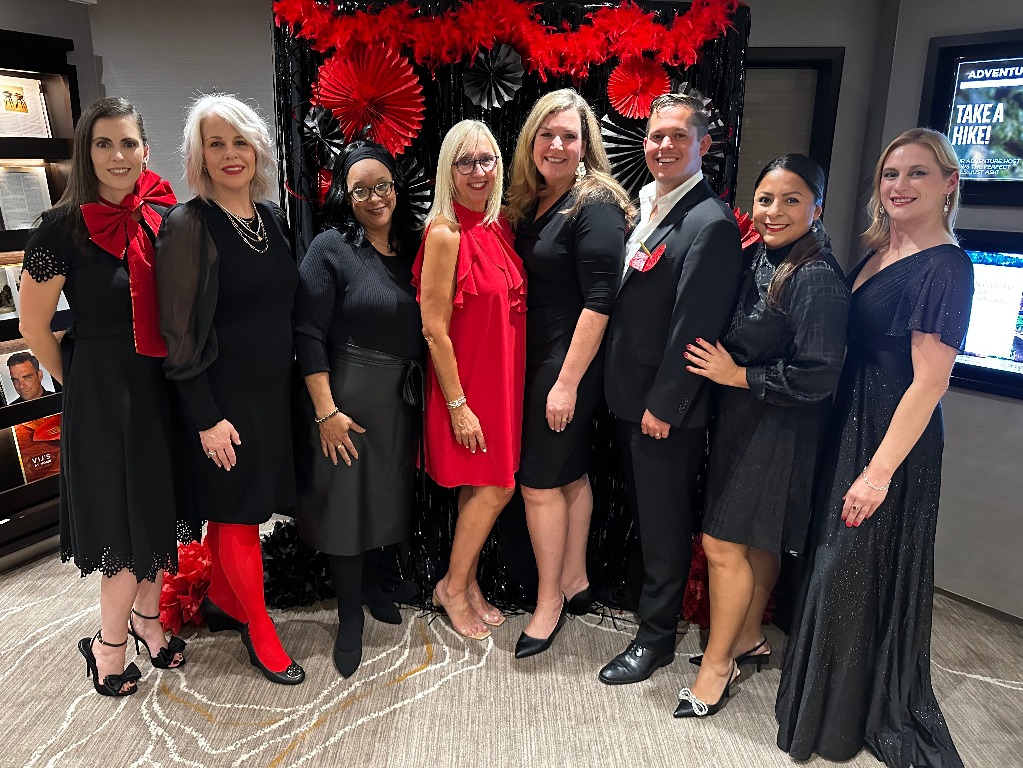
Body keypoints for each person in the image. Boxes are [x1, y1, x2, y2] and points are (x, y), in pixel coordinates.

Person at [776, 128, 973, 767]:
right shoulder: (878, 248)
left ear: (948, 184)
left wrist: (878, 473)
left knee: (850, 568)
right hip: (849, 420)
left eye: (917, 173)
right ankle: (826, 700)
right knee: (837, 565)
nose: (899, 185)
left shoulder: (947, 266)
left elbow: (931, 382)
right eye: (891, 174)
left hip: (890, 438)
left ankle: (837, 720)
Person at [18, 97, 189, 696]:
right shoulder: (58, 228)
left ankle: (147, 620)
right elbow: (33, 326)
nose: (118, 156)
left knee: (157, 512)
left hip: (159, 386)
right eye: (103, 143)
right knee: (121, 523)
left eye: (128, 143)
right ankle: (107, 645)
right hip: (102, 392)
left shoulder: (164, 214)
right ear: (85, 152)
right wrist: (77, 379)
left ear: (145, 149)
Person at [673, 154, 849, 717]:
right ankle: (747, 637)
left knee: (724, 544)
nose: (774, 211)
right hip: (747, 421)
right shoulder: (763, 257)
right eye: (766, 199)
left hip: (778, 428)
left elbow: (819, 375)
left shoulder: (815, 277)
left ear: (817, 208)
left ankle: (716, 667)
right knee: (755, 542)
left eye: (791, 200)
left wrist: (738, 376)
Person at [156, 94, 304, 685]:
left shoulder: (271, 219)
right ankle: (260, 630)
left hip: (270, 397)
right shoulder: (189, 225)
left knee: (234, 512)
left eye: (240, 141)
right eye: (215, 144)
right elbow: (178, 335)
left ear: (258, 148)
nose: (230, 154)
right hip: (221, 403)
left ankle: (221, 598)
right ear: (199, 156)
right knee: (239, 517)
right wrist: (205, 418)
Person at [600, 93, 743, 685]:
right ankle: (644, 605)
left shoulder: (710, 223)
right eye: (656, 135)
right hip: (627, 394)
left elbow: (695, 326)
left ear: (703, 145)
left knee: (663, 525)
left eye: (678, 136)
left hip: (663, 409)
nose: (663, 145)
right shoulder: (651, 206)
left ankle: (656, 638)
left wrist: (664, 405)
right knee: (643, 513)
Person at [504, 89, 633, 658]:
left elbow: (601, 301)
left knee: (537, 485)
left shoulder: (595, 202)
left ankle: (548, 602)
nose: (556, 145)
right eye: (547, 134)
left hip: (566, 363)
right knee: (570, 473)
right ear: (531, 140)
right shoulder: (536, 199)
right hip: (537, 357)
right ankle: (576, 579)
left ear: (586, 145)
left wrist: (566, 383)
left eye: (569, 136)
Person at [293, 140, 424, 677]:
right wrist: (326, 413)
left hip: (398, 405)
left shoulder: (414, 245)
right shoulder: (330, 248)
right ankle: (349, 614)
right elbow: (307, 332)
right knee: (346, 509)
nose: (374, 198)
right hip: (343, 405)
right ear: (345, 197)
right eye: (360, 190)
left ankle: (371, 587)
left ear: (396, 185)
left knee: (380, 503)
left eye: (382, 185)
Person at [412, 120, 526, 641]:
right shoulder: (444, 233)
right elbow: (433, 329)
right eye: (465, 162)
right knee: (499, 487)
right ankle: (452, 588)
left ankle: (468, 581)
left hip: (500, 381)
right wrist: (459, 405)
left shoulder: (496, 226)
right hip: (466, 387)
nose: (478, 171)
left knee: (482, 488)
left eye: (486, 160)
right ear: (448, 170)